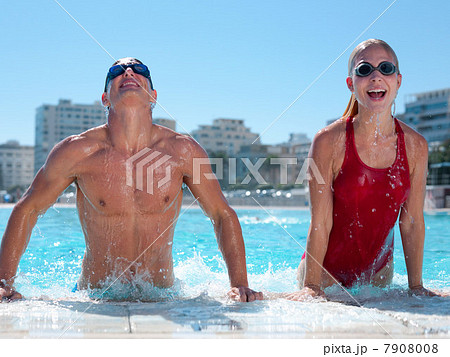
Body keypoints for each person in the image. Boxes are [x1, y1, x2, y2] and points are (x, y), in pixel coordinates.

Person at [0, 57, 262, 303]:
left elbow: (221, 213)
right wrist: (3, 282)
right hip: (95, 296)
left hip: (161, 295)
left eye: (140, 71)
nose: (128, 72)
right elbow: (28, 208)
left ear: (153, 96)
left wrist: (239, 284)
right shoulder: (76, 151)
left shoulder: (183, 150)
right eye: (116, 72)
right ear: (105, 98)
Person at [285, 39, 439, 300]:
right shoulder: (328, 141)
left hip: (377, 278)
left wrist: (416, 287)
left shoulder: (415, 146)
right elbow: (320, 220)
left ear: (398, 81)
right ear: (351, 84)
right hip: (324, 274)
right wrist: (311, 285)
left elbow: (411, 221)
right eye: (365, 70)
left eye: (385, 68)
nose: (376, 76)